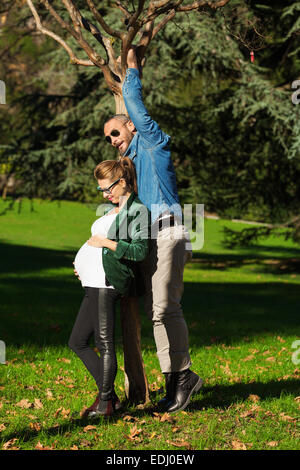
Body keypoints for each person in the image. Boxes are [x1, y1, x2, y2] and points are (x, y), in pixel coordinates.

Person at [103, 48, 202, 413]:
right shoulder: (134, 166)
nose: (113, 139)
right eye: (108, 138)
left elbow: (132, 100)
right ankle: (175, 382)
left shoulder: (154, 142)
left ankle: (184, 378)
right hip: (155, 238)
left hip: (170, 232)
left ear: (131, 125)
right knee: (158, 310)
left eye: (115, 131)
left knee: (165, 308)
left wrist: (130, 68)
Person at [69, 157, 150, 417]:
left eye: (108, 188)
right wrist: (82, 261)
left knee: (105, 343)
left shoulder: (138, 211)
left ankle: (105, 403)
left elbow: (139, 252)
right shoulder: (111, 210)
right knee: (77, 341)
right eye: (101, 190)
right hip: (92, 280)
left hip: (107, 282)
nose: (105, 194)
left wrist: (106, 244)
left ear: (123, 181)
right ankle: (111, 398)